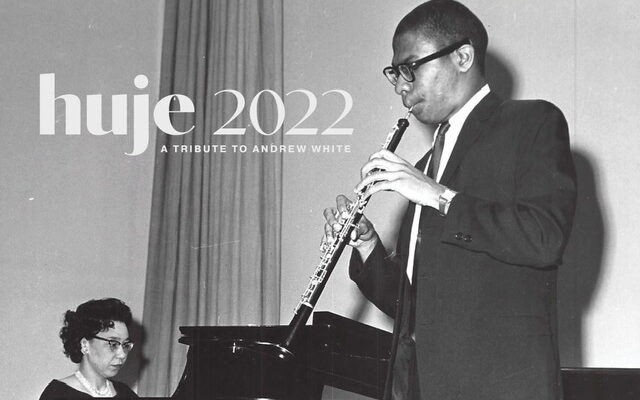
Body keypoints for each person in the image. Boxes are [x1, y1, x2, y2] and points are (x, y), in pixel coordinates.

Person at [323, 1, 577, 399]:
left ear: (462, 56)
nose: (401, 86)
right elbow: (413, 310)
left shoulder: (532, 123)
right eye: (394, 74)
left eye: (410, 67)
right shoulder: (428, 165)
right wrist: (369, 245)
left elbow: (544, 238)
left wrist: (438, 195)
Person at [39, 298, 139, 399]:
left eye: (125, 345)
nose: (122, 354)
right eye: (113, 344)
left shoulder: (126, 394)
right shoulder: (58, 395)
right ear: (85, 345)